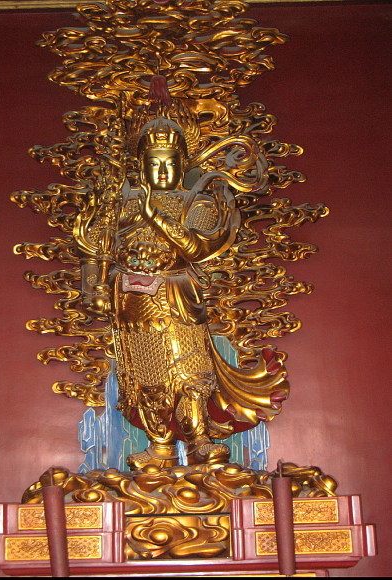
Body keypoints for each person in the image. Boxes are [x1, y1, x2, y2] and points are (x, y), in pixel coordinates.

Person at [85, 117, 289, 470]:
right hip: (130, 301)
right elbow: (97, 248)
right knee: (146, 376)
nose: (162, 171)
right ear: (141, 166)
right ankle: (159, 444)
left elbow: (195, 247)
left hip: (175, 294)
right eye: (154, 163)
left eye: (170, 163)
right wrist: (94, 287)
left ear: (182, 165)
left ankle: (199, 439)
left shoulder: (198, 202)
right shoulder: (123, 204)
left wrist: (154, 216)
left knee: (189, 372)